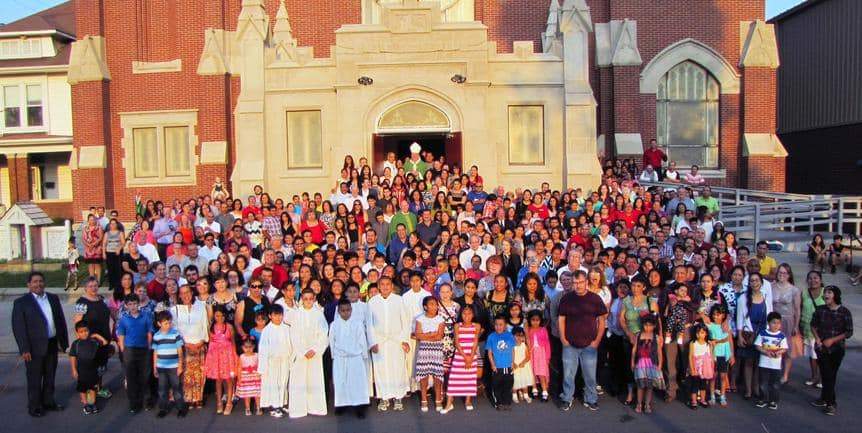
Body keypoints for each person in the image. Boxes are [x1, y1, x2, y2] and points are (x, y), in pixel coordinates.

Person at [12, 272, 69, 417]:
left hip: (52, 343)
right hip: (33, 348)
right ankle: (35, 406)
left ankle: (48, 402)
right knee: (35, 378)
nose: (38, 284)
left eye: (41, 281)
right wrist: (24, 348)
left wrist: (63, 342)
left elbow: (60, 320)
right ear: (29, 285)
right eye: (35, 281)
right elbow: (19, 328)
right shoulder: (21, 302)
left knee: (50, 375)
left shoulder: (53, 298)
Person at [558, 270, 607, 411]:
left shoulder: (595, 299)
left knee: (590, 375)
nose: (578, 285)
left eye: (580, 282)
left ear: (586, 282)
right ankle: (567, 398)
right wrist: (563, 339)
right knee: (568, 375)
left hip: (590, 345)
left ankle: (591, 399)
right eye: (575, 283)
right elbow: (561, 319)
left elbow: (602, 320)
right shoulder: (566, 299)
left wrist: (597, 341)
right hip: (569, 344)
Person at [367, 276, 411, 412]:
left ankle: (398, 397)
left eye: (388, 284)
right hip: (379, 341)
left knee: (398, 368)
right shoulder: (372, 302)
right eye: (382, 284)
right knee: (381, 370)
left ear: (392, 286)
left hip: (396, 340)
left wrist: (405, 340)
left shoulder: (399, 300)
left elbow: (405, 321)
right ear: (378, 286)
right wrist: (372, 342)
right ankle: (383, 397)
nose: (385, 287)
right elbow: (369, 324)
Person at [810, 285, 853, 416]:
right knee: (827, 374)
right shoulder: (820, 310)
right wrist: (817, 339)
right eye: (825, 293)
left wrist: (832, 340)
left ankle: (826, 399)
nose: (826, 295)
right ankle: (830, 403)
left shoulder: (844, 312)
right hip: (821, 348)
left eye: (829, 293)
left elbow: (849, 332)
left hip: (837, 349)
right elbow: (813, 325)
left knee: (830, 375)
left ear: (836, 295)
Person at [288, 289, 329, 418]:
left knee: (314, 380)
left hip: (314, 353)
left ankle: (315, 407)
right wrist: (302, 351)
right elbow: (293, 334)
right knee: (299, 380)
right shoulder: (296, 314)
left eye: (311, 298)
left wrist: (315, 349)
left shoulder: (319, 314)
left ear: (314, 298)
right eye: (305, 299)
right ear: (302, 299)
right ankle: (298, 409)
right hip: (300, 353)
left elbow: (323, 333)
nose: (308, 301)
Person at [329, 298, 370, 418]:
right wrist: (333, 355)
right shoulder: (334, 325)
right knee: (341, 381)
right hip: (340, 358)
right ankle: (341, 405)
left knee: (357, 382)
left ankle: (359, 407)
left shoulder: (357, 324)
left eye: (348, 310)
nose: (345, 313)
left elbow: (362, 340)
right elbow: (331, 341)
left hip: (355, 357)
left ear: (351, 310)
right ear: (338, 311)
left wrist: (364, 355)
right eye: (343, 311)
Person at [170, 284, 208, 408]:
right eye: (182, 293)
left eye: (187, 292)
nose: (185, 295)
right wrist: (185, 344)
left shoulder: (201, 307)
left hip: (199, 345)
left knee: (199, 373)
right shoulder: (174, 310)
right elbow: (174, 330)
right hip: (183, 346)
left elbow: (205, 325)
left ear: (192, 293)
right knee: (186, 373)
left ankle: (198, 397)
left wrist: (201, 342)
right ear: (179, 295)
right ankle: (187, 397)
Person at [116, 294, 154, 414]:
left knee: (145, 376)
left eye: (135, 304)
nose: (133, 306)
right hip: (129, 350)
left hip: (144, 349)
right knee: (131, 378)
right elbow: (121, 335)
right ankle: (134, 403)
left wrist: (149, 347)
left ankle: (147, 401)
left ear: (138, 304)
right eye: (130, 304)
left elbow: (149, 332)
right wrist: (123, 349)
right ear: (126, 306)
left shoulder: (146, 316)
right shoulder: (124, 319)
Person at [442, 303, 480, 413]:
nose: (466, 316)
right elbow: (457, 343)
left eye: (469, 313)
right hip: (460, 355)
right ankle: (449, 404)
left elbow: (475, 342)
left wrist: (470, 357)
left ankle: (468, 401)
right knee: (453, 379)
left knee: (470, 378)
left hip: (471, 355)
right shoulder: (457, 326)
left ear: (473, 314)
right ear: (461, 314)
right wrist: (465, 357)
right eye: (464, 313)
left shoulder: (476, 326)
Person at [151, 310, 188, 418]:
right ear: (159, 324)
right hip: (161, 367)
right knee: (162, 389)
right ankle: (163, 408)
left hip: (174, 367)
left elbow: (180, 351)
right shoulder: (156, 336)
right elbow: (155, 352)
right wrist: (155, 367)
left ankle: (181, 408)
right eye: (166, 323)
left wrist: (180, 365)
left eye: (170, 322)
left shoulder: (175, 334)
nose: (168, 325)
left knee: (177, 389)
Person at [258, 304, 292, 418]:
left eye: (280, 315)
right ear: (270, 316)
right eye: (275, 315)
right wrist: (262, 367)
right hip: (272, 362)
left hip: (285, 359)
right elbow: (263, 350)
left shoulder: (287, 328)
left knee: (283, 381)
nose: (278, 318)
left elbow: (290, 344)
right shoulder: (267, 330)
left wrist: (291, 359)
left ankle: (282, 403)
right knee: (273, 383)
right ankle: (274, 406)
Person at [414, 296, 445, 412]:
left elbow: (439, 336)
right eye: (431, 304)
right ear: (425, 307)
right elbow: (418, 335)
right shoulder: (420, 319)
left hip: (437, 350)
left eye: (436, 304)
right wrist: (432, 334)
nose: (434, 306)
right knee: (423, 375)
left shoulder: (440, 319)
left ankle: (438, 399)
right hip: (424, 350)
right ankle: (424, 399)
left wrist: (425, 335)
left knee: (437, 375)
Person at [69, 321, 108, 415]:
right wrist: (74, 369)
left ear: (89, 330)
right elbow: (72, 356)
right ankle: (86, 404)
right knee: (82, 388)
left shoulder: (94, 342)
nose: (84, 333)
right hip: (81, 371)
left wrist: (96, 335)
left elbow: (105, 342)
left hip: (93, 370)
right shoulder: (76, 344)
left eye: (86, 331)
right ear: (77, 333)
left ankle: (92, 403)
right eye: (81, 332)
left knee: (93, 388)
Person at [205, 305, 239, 415]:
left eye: (222, 316)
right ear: (214, 316)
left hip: (227, 356)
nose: (220, 318)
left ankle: (229, 403)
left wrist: (235, 355)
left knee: (229, 379)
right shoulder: (211, 327)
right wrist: (210, 358)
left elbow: (233, 342)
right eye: (217, 316)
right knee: (218, 380)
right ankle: (219, 402)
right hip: (216, 357)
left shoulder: (229, 327)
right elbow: (210, 343)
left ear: (225, 316)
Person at [754, 312, 788, 410]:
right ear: (768, 323)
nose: (776, 325)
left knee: (775, 384)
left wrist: (779, 352)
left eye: (778, 323)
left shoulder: (781, 336)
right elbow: (757, 345)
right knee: (762, 382)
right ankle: (763, 399)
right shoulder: (763, 333)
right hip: (764, 363)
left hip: (776, 365)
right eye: (774, 323)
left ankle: (773, 400)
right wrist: (765, 352)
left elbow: (784, 348)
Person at [631, 315, 663, 414]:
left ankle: (647, 404)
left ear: (654, 326)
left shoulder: (656, 337)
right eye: (645, 325)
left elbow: (659, 352)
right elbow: (634, 349)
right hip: (640, 363)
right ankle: (639, 404)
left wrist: (660, 364)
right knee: (640, 385)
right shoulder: (638, 335)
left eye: (650, 325)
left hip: (651, 364)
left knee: (649, 386)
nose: (647, 327)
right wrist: (632, 362)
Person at [486, 314, 516, 411]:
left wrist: (512, 362)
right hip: (497, 367)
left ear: (505, 325)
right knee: (497, 386)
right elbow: (489, 353)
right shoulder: (491, 337)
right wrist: (492, 364)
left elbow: (512, 350)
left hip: (508, 366)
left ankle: (506, 402)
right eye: (496, 324)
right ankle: (498, 403)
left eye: (500, 324)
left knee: (508, 385)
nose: (498, 327)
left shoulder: (509, 335)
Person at [707, 304, 734, 407]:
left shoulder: (726, 326)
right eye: (713, 314)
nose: (715, 316)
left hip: (724, 353)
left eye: (718, 314)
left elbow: (730, 340)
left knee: (723, 376)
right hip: (713, 354)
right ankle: (712, 396)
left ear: (723, 315)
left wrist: (732, 355)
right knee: (713, 376)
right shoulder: (710, 325)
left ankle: (722, 396)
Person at [526, 310, 551, 401]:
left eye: (537, 320)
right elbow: (527, 341)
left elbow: (547, 343)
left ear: (540, 320)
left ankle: (544, 391)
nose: (535, 322)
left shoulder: (543, 330)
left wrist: (548, 356)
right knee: (532, 371)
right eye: (533, 320)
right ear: (529, 320)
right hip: (531, 353)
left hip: (541, 354)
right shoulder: (528, 330)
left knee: (541, 373)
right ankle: (534, 389)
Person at [235, 339, 262, 416]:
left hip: (255, 377)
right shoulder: (242, 356)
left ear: (254, 347)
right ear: (242, 347)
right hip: (245, 378)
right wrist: (239, 378)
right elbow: (239, 368)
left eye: (250, 347)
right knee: (247, 395)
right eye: (246, 347)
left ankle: (258, 407)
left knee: (257, 394)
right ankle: (247, 408)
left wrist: (261, 375)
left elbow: (260, 365)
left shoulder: (257, 355)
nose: (248, 349)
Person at [511, 326, 534, 403]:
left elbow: (528, 356)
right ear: (513, 336)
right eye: (517, 335)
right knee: (515, 381)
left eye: (521, 336)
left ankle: (526, 395)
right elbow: (510, 356)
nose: (519, 338)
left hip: (523, 366)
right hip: (515, 366)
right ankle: (514, 395)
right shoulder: (512, 346)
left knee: (524, 381)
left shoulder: (524, 345)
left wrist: (523, 362)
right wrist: (513, 363)